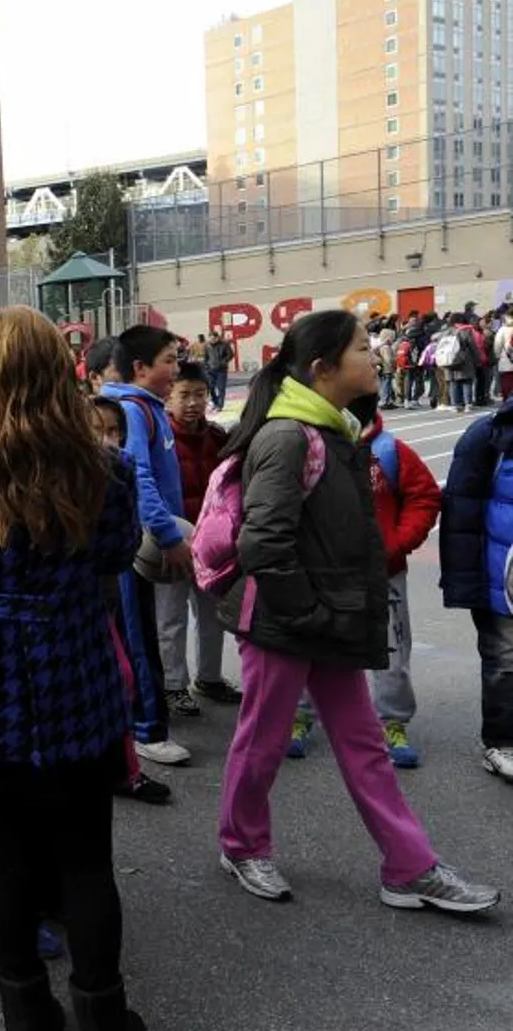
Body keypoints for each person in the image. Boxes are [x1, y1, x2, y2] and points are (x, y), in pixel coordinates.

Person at [217, 310, 498, 913]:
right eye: (363, 348)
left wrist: (327, 612)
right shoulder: (289, 435)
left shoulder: (335, 429)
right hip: (284, 625)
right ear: (323, 369)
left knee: (365, 745)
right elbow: (262, 546)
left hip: (325, 619)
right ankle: (242, 844)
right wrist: (310, 612)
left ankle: (409, 866)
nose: (375, 357)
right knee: (262, 744)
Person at [0, 306, 145, 1031]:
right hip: (72, 671)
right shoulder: (103, 469)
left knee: (5, 852)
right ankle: (102, 1010)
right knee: (86, 858)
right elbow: (114, 559)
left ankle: (25, 1008)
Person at [292, 397, 440, 767]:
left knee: (391, 650)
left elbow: (424, 498)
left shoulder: (390, 451)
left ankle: (392, 722)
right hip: (322, 573)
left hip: (384, 573)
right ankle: (299, 716)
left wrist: (396, 545)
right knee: (313, 645)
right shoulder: (308, 449)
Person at [102, 325, 192, 767]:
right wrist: (169, 534)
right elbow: (138, 476)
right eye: (168, 360)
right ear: (139, 367)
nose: (175, 369)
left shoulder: (146, 408)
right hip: (133, 543)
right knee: (138, 636)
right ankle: (147, 729)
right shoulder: (132, 410)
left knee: (139, 632)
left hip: (140, 539)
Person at [437, 356, 513, 784]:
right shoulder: (488, 436)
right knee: (504, 661)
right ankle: (501, 743)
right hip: (500, 579)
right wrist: (468, 585)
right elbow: (460, 517)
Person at [161, 362, 240, 718]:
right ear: (168, 398)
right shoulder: (159, 439)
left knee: (212, 616)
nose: (193, 403)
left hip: (211, 547)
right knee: (170, 618)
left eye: (200, 394)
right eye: (184, 395)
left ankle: (208, 678)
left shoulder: (218, 437)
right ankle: (173, 685)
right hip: (174, 544)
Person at [202, 333, 234, 412]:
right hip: (210, 370)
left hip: (221, 370)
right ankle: (215, 402)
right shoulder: (207, 346)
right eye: (210, 339)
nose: (212, 340)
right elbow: (205, 357)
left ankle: (220, 406)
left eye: (213, 339)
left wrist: (223, 362)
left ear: (217, 338)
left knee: (221, 388)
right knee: (211, 388)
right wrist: (206, 366)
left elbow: (230, 354)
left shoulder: (224, 344)